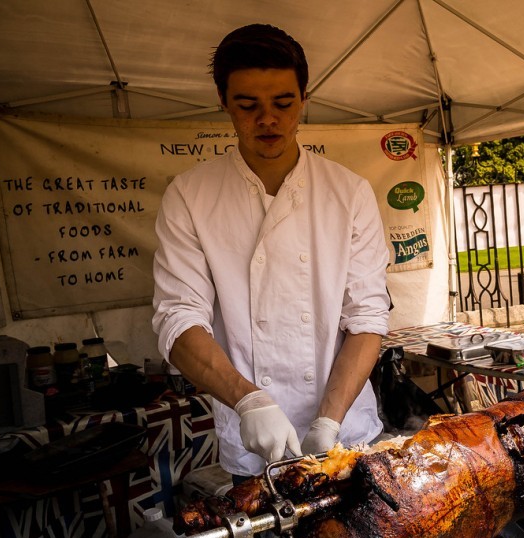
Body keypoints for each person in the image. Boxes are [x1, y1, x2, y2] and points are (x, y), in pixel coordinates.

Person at [151, 24, 391, 481]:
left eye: (283, 103)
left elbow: (366, 318)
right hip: (251, 442)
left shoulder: (348, 192)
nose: (268, 119)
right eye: (248, 105)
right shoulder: (190, 195)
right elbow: (178, 319)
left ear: (303, 98)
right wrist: (250, 401)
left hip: (347, 435)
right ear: (222, 101)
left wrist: (330, 419)